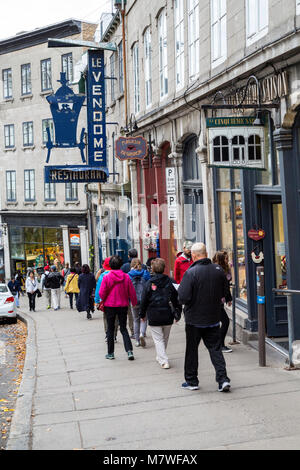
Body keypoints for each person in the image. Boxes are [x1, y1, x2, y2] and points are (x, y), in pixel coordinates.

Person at [178, 242, 231, 393]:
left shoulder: (191, 272)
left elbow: (182, 296)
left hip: (194, 319)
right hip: (213, 317)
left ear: (193, 256)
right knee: (215, 349)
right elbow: (225, 292)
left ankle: (191, 380)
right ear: (206, 253)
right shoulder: (218, 270)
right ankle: (223, 379)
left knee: (192, 351)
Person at [140, 258, 181, 369]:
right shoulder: (170, 281)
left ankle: (163, 360)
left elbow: (144, 300)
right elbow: (176, 298)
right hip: (168, 313)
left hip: (154, 314)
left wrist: (142, 314)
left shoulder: (149, 283)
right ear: (164, 268)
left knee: (158, 339)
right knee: (165, 338)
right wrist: (178, 312)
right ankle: (161, 356)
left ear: (153, 269)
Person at [99, 255, 137, 361]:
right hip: (123, 305)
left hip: (110, 306)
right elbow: (132, 292)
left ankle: (110, 353)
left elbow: (102, 293)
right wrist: (134, 303)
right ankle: (129, 351)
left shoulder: (106, 277)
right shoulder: (126, 277)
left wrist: (104, 299)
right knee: (123, 328)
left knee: (110, 329)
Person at [213, 251, 233, 353]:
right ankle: (220, 345)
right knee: (225, 321)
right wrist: (228, 298)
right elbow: (224, 286)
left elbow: (226, 286)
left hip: (220, 300)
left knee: (219, 322)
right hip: (215, 301)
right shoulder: (217, 270)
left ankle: (218, 344)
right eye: (225, 259)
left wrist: (228, 298)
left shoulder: (224, 269)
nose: (227, 260)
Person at [128, 258, 151, 347]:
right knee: (144, 318)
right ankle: (142, 333)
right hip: (144, 300)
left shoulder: (129, 275)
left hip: (134, 301)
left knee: (136, 320)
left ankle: (137, 340)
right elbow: (149, 285)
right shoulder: (145, 273)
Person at [95, 257, 118, 341]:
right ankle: (114, 335)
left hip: (106, 301)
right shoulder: (118, 273)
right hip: (117, 300)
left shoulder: (103, 276)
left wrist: (97, 301)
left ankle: (108, 334)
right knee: (115, 318)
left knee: (106, 318)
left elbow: (98, 290)